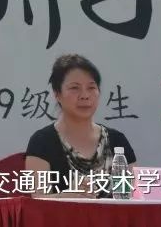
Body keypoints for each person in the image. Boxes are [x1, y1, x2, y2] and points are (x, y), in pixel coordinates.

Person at [24, 54, 137, 196]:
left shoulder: (117, 140)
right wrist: (68, 196)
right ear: (57, 94)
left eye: (91, 87)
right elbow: (38, 202)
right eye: (74, 88)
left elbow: (133, 197)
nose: (85, 95)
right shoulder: (42, 142)